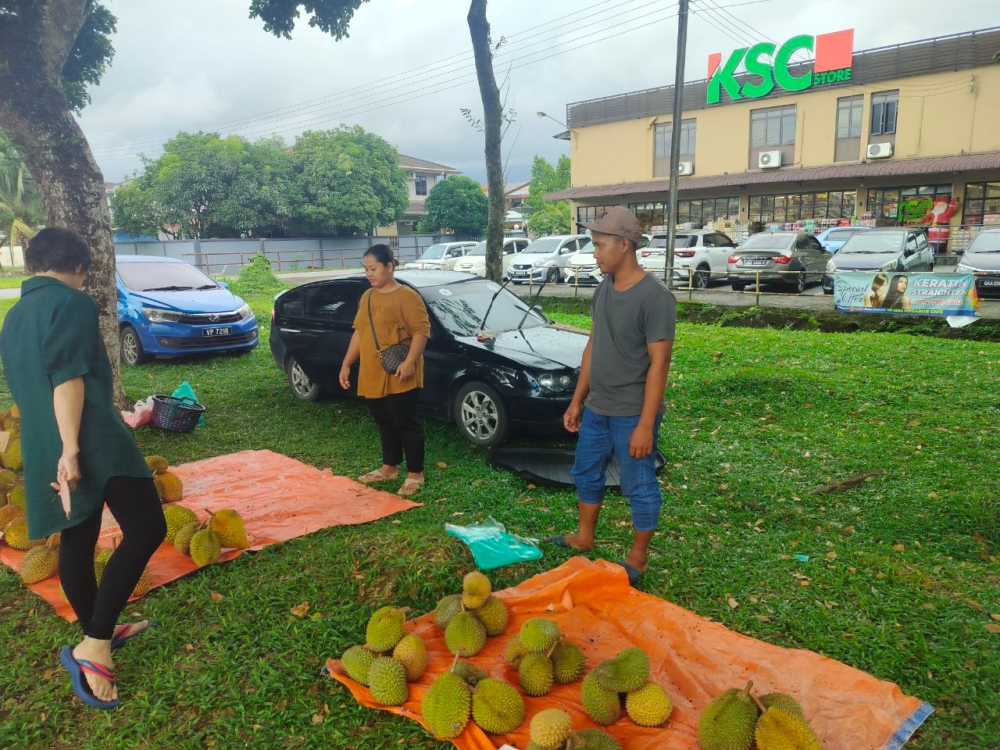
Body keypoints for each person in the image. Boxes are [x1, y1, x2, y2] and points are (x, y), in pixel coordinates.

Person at [0, 228, 166, 710]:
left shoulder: (13, 315)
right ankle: (93, 645)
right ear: (78, 267)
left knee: (78, 537)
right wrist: (72, 450)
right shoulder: (72, 303)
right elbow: (67, 377)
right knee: (146, 528)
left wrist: (57, 448)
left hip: (44, 439)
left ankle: (99, 629)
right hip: (89, 438)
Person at [545, 207, 676, 586]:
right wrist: (577, 400)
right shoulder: (604, 287)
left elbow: (660, 365)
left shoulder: (656, 298)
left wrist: (646, 426)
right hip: (598, 407)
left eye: (600, 245)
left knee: (639, 482)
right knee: (585, 471)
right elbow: (593, 345)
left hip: (633, 413)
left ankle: (638, 557)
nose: (595, 253)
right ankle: (584, 537)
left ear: (624, 245)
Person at [339, 244, 431, 496]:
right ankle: (389, 467)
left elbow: (421, 331)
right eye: (366, 269)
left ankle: (415, 474)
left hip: (399, 370)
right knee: (384, 421)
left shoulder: (407, 297)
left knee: (405, 422)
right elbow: (359, 332)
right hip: (372, 370)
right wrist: (347, 364)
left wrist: (410, 362)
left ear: (389, 266)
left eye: (373, 268)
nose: (369, 273)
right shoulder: (367, 296)